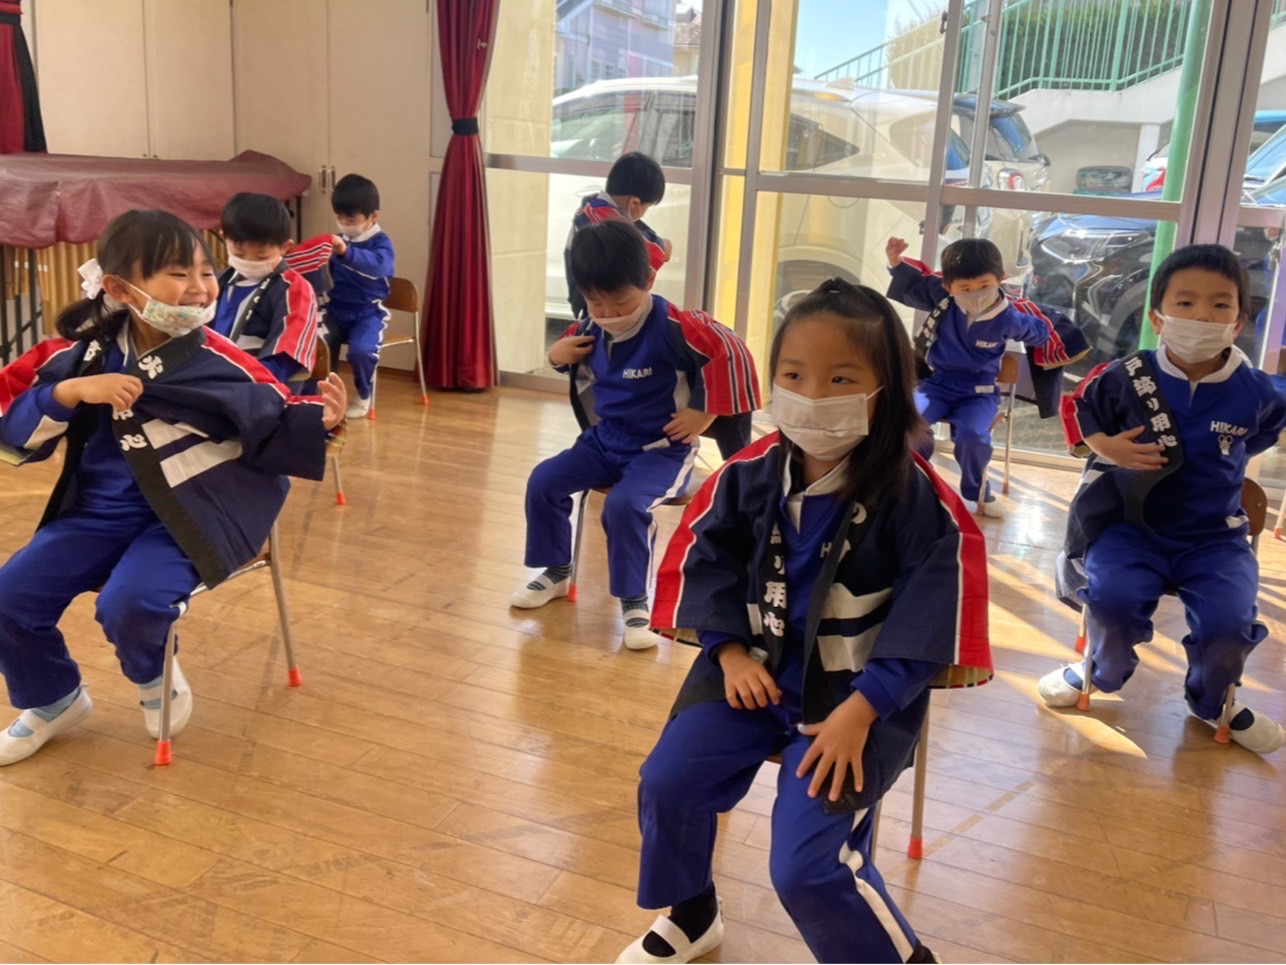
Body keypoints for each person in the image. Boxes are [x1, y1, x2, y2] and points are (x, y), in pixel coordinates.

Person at [617, 279, 991, 964]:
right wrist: (729, 653)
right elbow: (707, 566)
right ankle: (693, 913)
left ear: (886, 389)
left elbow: (932, 617)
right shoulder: (745, 475)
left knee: (805, 868)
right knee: (669, 782)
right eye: (794, 375)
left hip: (855, 701)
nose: (813, 395)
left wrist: (863, 710)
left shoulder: (917, 499)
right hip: (750, 675)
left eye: (841, 378)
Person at [0, 210, 346, 766]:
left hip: (192, 514)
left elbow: (276, 414)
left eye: (206, 272)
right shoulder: (80, 355)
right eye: (179, 274)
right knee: (9, 597)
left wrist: (321, 420)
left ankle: (152, 674)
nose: (201, 288)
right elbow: (14, 419)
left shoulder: (220, 358)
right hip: (98, 515)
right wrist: (70, 393)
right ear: (119, 288)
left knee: (131, 602)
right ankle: (52, 699)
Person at [1043, 243, 1286, 755]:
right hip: (1131, 530)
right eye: (1186, 303)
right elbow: (1081, 410)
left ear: (1239, 320)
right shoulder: (1124, 376)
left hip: (1215, 539)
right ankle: (1100, 672)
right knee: (1109, 601)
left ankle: (1212, 700)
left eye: (1220, 305)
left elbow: (1263, 433)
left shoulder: (1258, 391)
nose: (1203, 316)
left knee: (1229, 625)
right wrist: (1104, 446)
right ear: (1158, 317)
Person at [512, 220, 760, 651]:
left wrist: (704, 412)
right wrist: (555, 354)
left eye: (620, 302)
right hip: (604, 442)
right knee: (543, 481)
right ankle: (556, 571)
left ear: (647, 281)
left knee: (624, 506)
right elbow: (568, 349)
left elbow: (732, 352)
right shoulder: (590, 327)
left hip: (662, 451)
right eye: (596, 302)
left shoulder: (679, 326)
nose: (609, 314)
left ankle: (634, 602)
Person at [886, 236, 1059, 517]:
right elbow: (916, 283)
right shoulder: (944, 300)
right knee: (909, 426)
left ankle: (979, 493)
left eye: (984, 285)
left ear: (1000, 279)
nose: (975, 293)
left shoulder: (1007, 317)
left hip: (979, 392)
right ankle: (915, 481)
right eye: (965, 288)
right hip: (937, 384)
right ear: (948, 286)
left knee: (973, 436)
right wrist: (895, 261)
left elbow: (1041, 332)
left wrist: (1032, 331)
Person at [214, 192, 319, 384]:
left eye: (261, 256)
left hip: (265, 386)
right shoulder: (215, 281)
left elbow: (286, 359)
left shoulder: (295, 290)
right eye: (239, 253)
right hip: (215, 379)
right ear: (223, 237)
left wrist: (240, 384)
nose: (249, 261)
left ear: (285, 247)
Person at [564, 151, 671, 322]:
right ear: (634, 203)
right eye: (647, 207)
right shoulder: (603, 219)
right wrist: (664, 246)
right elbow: (650, 253)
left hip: (594, 297)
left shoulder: (593, 206)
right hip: (599, 301)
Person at [328, 173, 395, 419]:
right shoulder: (337, 240)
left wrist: (346, 253)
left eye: (351, 219)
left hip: (367, 313)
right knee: (316, 342)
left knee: (361, 352)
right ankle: (324, 394)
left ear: (373, 216)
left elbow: (379, 267)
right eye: (339, 217)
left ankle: (364, 393)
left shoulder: (381, 243)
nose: (344, 223)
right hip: (335, 310)